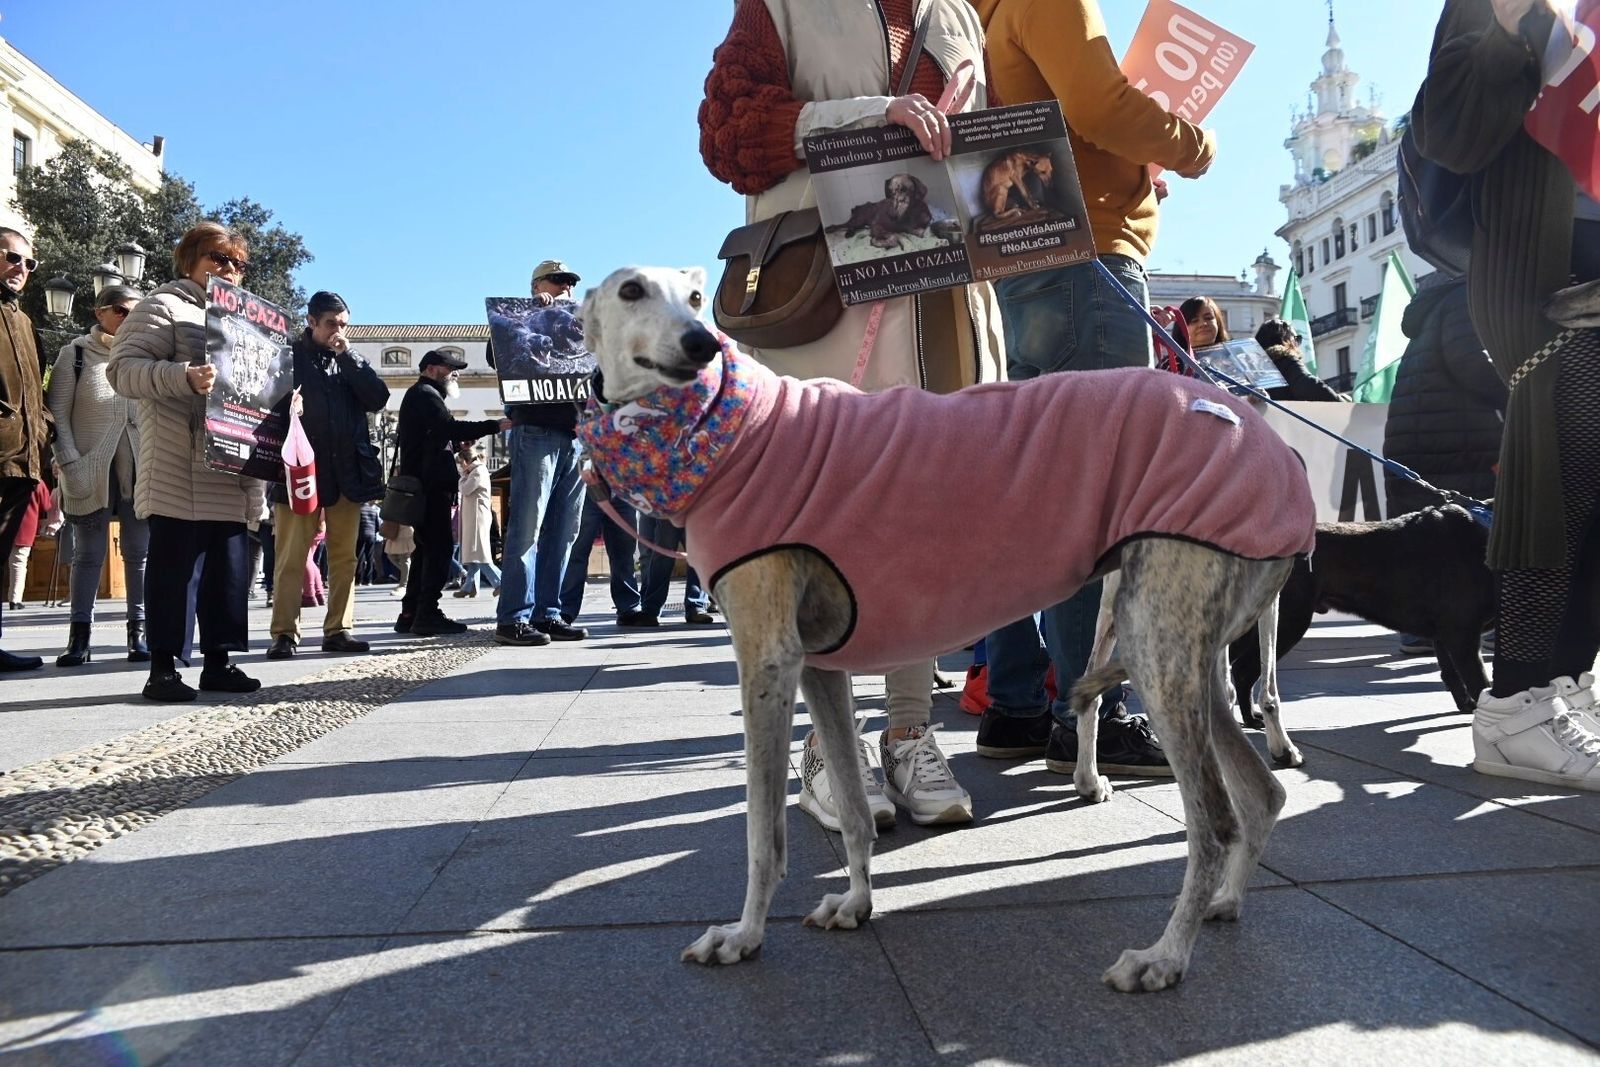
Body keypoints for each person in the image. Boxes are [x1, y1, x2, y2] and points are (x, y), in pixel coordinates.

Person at [701, 0, 1007, 829]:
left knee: (936, 516)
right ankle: (822, 747)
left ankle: (911, 729)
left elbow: (985, 155)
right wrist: (866, 115)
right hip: (828, 296)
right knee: (826, 519)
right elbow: (727, 136)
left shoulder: (958, 18)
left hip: (949, 298)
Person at [970, 0, 1215, 777]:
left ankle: (1017, 704)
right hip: (1091, 259)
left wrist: (1124, 163)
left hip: (1024, 258)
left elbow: (1066, 123)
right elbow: (1099, 104)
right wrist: (1193, 146)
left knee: (1035, 495)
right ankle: (1095, 716)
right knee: (1102, 495)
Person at [1414, 0, 1600, 789]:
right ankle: (1517, 699)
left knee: (1592, 490)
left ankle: (1561, 680)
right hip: (1541, 262)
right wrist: (1512, 22)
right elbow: (1448, 130)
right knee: (1558, 473)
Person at [107, 221, 264, 702]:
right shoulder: (163, 305)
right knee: (174, 573)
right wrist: (183, 376)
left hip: (230, 467)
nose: (230, 270)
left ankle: (219, 662)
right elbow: (122, 370)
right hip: (178, 463)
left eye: (238, 263)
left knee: (227, 573)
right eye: (219, 259)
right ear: (190, 259)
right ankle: (162, 670)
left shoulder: (245, 320)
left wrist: (281, 403)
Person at [264, 292, 387, 660]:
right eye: (331, 323)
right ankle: (284, 634)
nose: (338, 330)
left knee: (344, 558)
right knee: (290, 557)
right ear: (311, 321)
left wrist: (348, 357)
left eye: (344, 324)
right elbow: (263, 402)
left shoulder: (350, 359)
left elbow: (377, 398)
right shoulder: (286, 359)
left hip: (346, 472)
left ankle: (339, 629)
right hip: (300, 472)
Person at [47, 283, 150, 666]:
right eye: (122, 311)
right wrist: (70, 461)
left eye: (136, 313)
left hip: (140, 468)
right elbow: (56, 413)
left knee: (140, 554)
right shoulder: (74, 353)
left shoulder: (145, 355)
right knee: (88, 555)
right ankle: (79, 638)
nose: (129, 319)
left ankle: (138, 635)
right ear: (100, 312)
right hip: (88, 468)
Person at [490, 259, 588, 647]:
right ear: (536, 286)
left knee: (565, 531)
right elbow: (496, 353)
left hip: (575, 436)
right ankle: (513, 617)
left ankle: (548, 612)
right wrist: (535, 312)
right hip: (535, 431)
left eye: (570, 283)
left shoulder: (578, 325)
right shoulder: (516, 320)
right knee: (527, 528)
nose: (566, 288)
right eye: (558, 281)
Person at [394, 349, 510, 636]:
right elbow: (449, 426)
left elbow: (436, 435)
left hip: (427, 484)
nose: (455, 374)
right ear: (432, 369)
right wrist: (494, 425)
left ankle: (411, 612)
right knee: (439, 549)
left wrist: (453, 444)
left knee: (425, 550)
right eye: (450, 369)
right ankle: (427, 613)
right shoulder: (425, 394)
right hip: (430, 486)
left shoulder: (424, 395)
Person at [0, 227, 48, 671]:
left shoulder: (23, 320)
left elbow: (34, 395)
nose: (21, 269)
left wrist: (43, 436)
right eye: (12, 257)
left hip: (21, 458)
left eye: (29, 263)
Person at [557, 491, 647, 626]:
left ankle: (629, 607)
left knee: (624, 552)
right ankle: (566, 610)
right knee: (577, 552)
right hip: (587, 486)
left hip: (621, 489)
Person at [638, 520, 715, 626]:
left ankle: (695, 605)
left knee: (697, 554)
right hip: (669, 508)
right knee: (662, 555)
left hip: (697, 507)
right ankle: (651, 609)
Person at [1254, 318, 1347, 402]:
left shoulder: (1254, 369)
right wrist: (1340, 402)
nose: (1298, 344)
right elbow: (1308, 385)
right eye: (1296, 339)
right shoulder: (1286, 360)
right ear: (1285, 340)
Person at [453, 444, 502, 597]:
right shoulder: (474, 471)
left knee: (479, 553)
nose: (460, 467)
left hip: (477, 517)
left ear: (466, 461)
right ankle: (470, 586)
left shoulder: (478, 472)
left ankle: (500, 582)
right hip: (473, 517)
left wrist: (461, 478)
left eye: (461, 463)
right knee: (473, 554)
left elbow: (465, 489)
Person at [6, 478, 54, 609]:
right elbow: (46, 505)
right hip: (25, 526)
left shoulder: (10, 478)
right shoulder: (37, 482)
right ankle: (15, 600)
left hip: (6, 524)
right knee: (18, 563)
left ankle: (14, 598)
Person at [356, 500, 381, 585]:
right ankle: (369, 580)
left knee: (359, 557)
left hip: (360, 535)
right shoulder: (373, 510)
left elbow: (356, 524)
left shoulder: (359, 510)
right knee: (370, 557)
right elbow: (377, 526)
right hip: (371, 535)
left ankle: (359, 580)